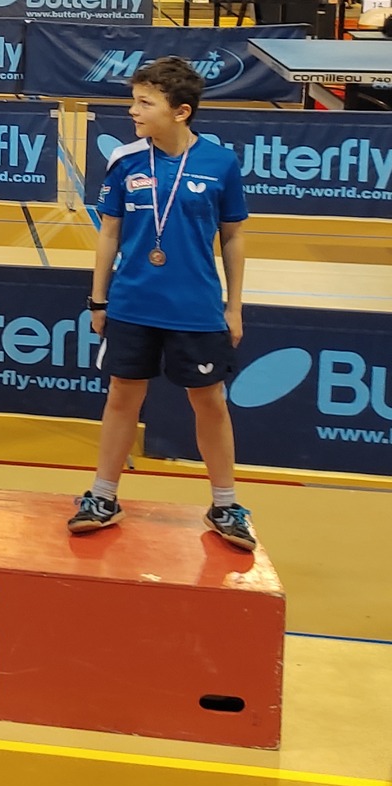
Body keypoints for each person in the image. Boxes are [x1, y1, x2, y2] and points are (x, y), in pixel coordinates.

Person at [71, 56, 255, 549]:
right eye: (134, 100)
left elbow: (233, 238)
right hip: (132, 304)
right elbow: (109, 233)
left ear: (180, 111)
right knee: (121, 397)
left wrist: (234, 307)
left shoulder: (220, 163)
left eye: (144, 102)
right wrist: (98, 299)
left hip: (196, 309)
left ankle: (225, 504)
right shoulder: (125, 160)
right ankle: (103, 496)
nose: (133, 110)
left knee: (209, 402)